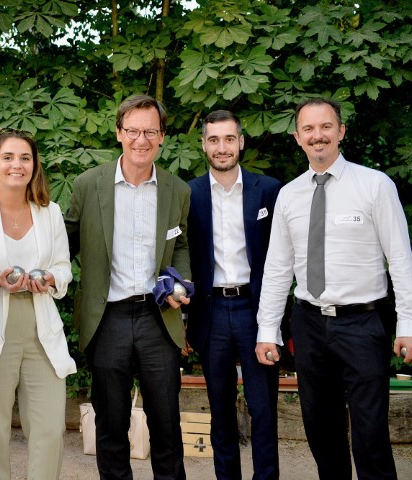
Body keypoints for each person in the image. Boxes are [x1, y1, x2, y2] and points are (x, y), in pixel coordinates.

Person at [256, 97, 412, 480]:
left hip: (362, 323)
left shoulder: (375, 186)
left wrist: (407, 323)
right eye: (308, 129)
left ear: (341, 131)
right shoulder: (289, 195)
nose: (317, 135)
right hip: (309, 324)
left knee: (370, 432)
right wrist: (267, 330)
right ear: (297, 137)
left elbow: (401, 259)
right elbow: (277, 268)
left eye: (326, 127)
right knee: (321, 431)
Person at [66, 94, 190, 479]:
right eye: (133, 130)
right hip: (108, 319)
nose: (141, 140)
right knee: (111, 427)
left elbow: (181, 244)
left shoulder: (177, 190)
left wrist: (181, 283)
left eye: (150, 131)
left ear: (162, 137)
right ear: (119, 133)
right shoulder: (88, 185)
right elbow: (64, 244)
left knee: (167, 427)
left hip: (159, 319)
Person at [0, 129, 77, 479]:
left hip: (40, 328)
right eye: (9, 157)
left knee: (49, 432)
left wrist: (48, 279)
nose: (17, 164)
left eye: (25, 158)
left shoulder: (51, 213)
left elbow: (63, 268)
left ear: (34, 166)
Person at [186, 110, 281, 480]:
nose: (221, 147)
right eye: (213, 140)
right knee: (220, 411)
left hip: (255, 311)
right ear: (204, 145)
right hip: (211, 311)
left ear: (241, 142)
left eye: (228, 139)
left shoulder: (269, 190)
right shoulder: (189, 194)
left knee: (263, 410)